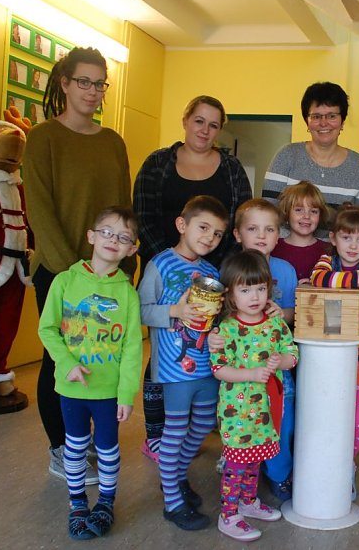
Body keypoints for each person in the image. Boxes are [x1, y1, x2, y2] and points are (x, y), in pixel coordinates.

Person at [25, 46, 135, 485]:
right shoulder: (43, 138)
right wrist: (74, 272)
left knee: (101, 357)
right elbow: (40, 208)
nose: (92, 91)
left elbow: (123, 209)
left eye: (99, 83)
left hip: (109, 274)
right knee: (60, 361)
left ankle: (87, 440)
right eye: (84, 82)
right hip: (61, 272)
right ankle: (61, 445)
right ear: (65, 83)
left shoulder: (112, 142)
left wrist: (123, 262)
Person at [134, 95, 251, 464]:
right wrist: (170, 262)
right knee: (162, 357)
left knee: (203, 347)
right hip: (167, 266)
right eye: (199, 121)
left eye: (214, 124)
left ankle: (195, 429)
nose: (205, 130)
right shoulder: (157, 163)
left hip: (214, 275)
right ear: (185, 120)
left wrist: (215, 266)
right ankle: (159, 435)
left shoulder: (230, 168)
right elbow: (144, 213)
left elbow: (237, 219)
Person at [37, 206, 143, 540]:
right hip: (71, 390)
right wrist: (66, 364)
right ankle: (78, 503)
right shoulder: (64, 281)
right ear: (91, 237)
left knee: (108, 449)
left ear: (132, 248)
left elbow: (131, 349)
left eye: (123, 237)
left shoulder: (127, 293)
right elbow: (48, 329)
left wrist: (127, 394)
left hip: (108, 392)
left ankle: (106, 502)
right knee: (75, 446)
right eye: (107, 232)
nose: (114, 240)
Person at [138, 195, 230, 531]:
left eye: (218, 233)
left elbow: (217, 317)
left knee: (204, 425)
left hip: (208, 364)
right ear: (182, 225)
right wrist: (174, 311)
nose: (210, 237)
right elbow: (141, 308)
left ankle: (174, 478)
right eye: (203, 227)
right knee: (175, 431)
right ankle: (173, 503)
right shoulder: (160, 264)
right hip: (175, 369)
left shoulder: (210, 271)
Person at [212, 250, 298, 541]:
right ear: (231, 294)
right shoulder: (227, 328)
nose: (255, 296)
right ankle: (228, 515)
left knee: (255, 459)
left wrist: (281, 362)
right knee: (236, 464)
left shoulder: (275, 323)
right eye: (245, 290)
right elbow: (219, 368)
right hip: (236, 413)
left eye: (261, 288)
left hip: (267, 408)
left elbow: (292, 353)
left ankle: (248, 503)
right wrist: (251, 374)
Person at [309, 204, 359, 499]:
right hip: (329, 354)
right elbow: (318, 280)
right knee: (326, 412)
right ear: (333, 238)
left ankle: (344, 464)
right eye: (346, 238)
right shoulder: (325, 260)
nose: (354, 246)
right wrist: (356, 281)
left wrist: (358, 280)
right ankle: (324, 465)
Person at [231, 199, 297, 500]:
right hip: (241, 371)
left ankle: (279, 474)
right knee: (243, 420)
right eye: (253, 228)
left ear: (278, 235)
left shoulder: (285, 269)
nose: (261, 235)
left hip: (277, 367)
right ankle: (241, 471)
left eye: (269, 229)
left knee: (281, 422)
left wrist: (277, 313)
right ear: (237, 234)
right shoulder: (230, 269)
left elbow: (293, 313)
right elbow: (223, 315)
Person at [262, 82, 359, 235]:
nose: (324, 123)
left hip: (339, 257)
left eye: (332, 116)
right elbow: (267, 215)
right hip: (286, 253)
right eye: (316, 116)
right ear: (307, 122)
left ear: (342, 121)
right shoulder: (286, 156)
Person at [271, 181, 331, 282]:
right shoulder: (273, 248)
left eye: (313, 211)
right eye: (299, 210)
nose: (307, 216)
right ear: (287, 214)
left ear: (320, 216)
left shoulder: (329, 250)